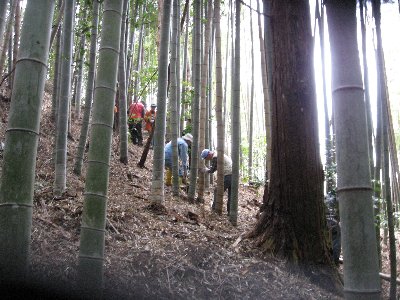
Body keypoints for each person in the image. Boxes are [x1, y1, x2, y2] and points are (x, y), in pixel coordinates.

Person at [200, 149, 232, 215]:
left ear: (209, 154)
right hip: (233, 174)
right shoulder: (217, 154)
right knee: (231, 195)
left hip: (228, 175)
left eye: (206, 158)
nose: (206, 159)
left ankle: (215, 209)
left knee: (217, 191)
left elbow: (212, 170)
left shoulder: (215, 157)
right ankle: (230, 212)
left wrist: (205, 170)